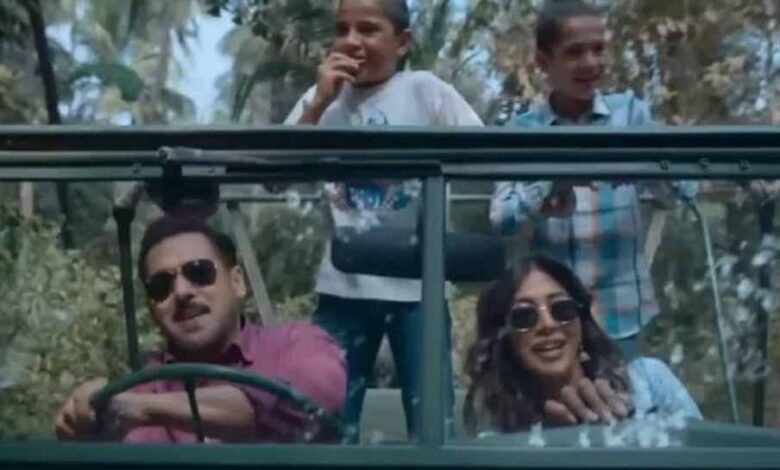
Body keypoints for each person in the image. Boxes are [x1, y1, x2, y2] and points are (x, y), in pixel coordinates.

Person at [284, 0, 483, 440]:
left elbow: (484, 152)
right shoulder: (320, 99)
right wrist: (316, 106)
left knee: (433, 422)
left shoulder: (426, 91)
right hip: (342, 287)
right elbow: (273, 179)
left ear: (402, 42)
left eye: (368, 29)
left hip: (419, 289)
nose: (351, 41)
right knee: (325, 418)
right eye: (342, 29)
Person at [490, 0, 696, 357]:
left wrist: (634, 162)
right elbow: (502, 220)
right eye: (574, 52)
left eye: (598, 49)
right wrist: (551, 178)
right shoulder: (523, 132)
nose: (590, 62)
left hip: (622, 314)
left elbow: (686, 187)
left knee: (624, 393)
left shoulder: (630, 115)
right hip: (550, 320)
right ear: (543, 62)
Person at [54, 216, 346, 443]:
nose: (181, 291)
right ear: (153, 308)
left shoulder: (297, 344)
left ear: (237, 282)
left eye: (199, 272)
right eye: (161, 286)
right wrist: (88, 417)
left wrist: (146, 409)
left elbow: (308, 405)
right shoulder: (142, 389)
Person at [463, 255, 701, 436]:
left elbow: (703, 454)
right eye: (525, 316)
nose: (548, 325)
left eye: (562, 309)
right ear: (505, 337)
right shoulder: (498, 434)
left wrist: (624, 436)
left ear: (581, 323)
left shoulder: (650, 380)